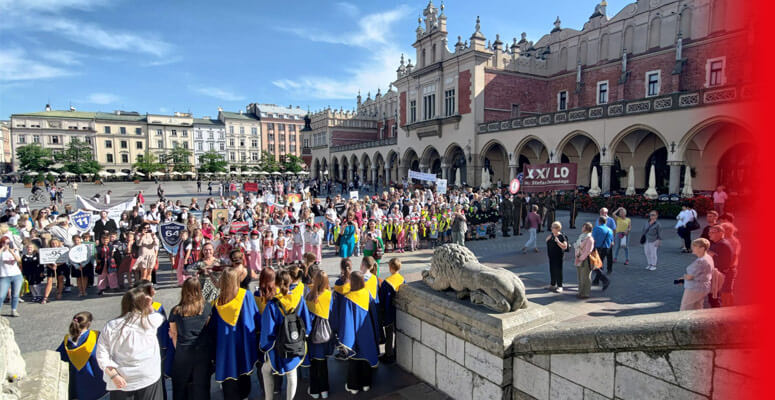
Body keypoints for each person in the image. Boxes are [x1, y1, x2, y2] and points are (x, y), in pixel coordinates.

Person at [96, 288, 165, 400]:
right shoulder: (150, 321)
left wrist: (114, 376)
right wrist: (149, 304)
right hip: (148, 375)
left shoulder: (111, 326)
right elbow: (158, 316)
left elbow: (102, 355)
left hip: (121, 378)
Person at [260, 269, 311, 400]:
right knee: (292, 373)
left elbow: (268, 330)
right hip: (295, 343)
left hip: (278, 346)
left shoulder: (272, 303)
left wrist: (265, 345)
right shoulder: (299, 299)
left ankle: (269, 398)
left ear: (276, 283)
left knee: (265, 370)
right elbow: (306, 322)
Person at [212, 267, 259, 400]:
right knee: (243, 368)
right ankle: (244, 396)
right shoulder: (245, 295)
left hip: (225, 344)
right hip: (242, 341)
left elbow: (214, 326)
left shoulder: (218, 301)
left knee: (228, 371)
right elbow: (254, 317)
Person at [168, 277, 212, 400]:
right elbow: (206, 327)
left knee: (180, 385)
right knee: (202, 385)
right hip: (202, 351)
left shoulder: (176, 311)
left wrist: (178, 348)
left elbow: (173, 333)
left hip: (183, 351)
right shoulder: (207, 307)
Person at [338, 271, 379, 394]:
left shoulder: (348, 298)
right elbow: (373, 314)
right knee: (366, 358)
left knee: (355, 359)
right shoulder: (367, 293)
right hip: (367, 332)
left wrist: (345, 338)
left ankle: (354, 386)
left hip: (354, 334)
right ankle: (366, 384)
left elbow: (346, 320)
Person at [56, 312, 107, 400]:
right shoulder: (95, 336)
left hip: (77, 381)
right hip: (96, 380)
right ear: (89, 323)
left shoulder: (67, 340)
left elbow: (59, 356)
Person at [305, 269, 333, 399]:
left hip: (312, 336)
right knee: (323, 364)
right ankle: (324, 390)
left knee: (314, 365)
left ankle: (315, 390)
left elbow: (307, 319)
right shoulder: (329, 295)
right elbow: (332, 314)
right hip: (325, 334)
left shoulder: (309, 297)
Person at [378, 258, 404, 363]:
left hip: (389, 312)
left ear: (390, 268)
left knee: (389, 334)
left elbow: (382, 299)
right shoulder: (402, 279)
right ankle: (397, 352)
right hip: (399, 311)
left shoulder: (386, 282)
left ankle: (389, 354)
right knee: (398, 333)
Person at [679, 238, 714, 311]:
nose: (692, 248)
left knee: (685, 308)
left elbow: (690, 277)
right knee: (697, 307)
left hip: (695, 288)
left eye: (695, 246)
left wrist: (684, 277)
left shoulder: (700, 261)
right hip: (703, 287)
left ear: (702, 248)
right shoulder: (708, 257)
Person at [707, 224, 735, 308]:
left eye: (712, 232)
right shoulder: (719, 243)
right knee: (714, 298)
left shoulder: (721, 245)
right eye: (709, 232)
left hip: (718, 274)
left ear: (721, 233)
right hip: (719, 273)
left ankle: (718, 314)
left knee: (714, 298)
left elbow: (723, 263)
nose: (709, 234)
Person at [0, 236, 22, 316]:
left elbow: (19, 260)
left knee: (15, 295)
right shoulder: (1, 252)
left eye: (9, 243)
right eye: (5, 243)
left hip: (16, 275)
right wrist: (2, 248)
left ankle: (14, 310)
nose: (7, 244)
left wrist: (12, 252)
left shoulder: (14, 250)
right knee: (1, 295)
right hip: (4, 276)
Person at [545, 222, 569, 293]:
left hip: (558, 257)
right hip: (551, 256)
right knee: (552, 270)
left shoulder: (562, 236)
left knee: (558, 271)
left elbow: (565, 246)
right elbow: (547, 241)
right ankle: (552, 284)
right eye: (551, 227)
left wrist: (558, 242)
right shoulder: (551, 235)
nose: (551, 228)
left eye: (553, 227)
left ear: (558, 229)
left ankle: (560, 286)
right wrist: (547, 239)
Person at [573, 223, 595, 299]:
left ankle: (585, 293)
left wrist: (581, 258)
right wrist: (577, 255)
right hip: (579, 258)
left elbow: (588, 251)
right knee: (580, 276)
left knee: (585, 277)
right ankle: (580, 292)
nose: (582, 228)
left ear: (586, 228)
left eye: (583, 227)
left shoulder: (589, 239)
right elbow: (577, 245)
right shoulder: (582, 236)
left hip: (585, 260)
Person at [591, 217, 612, 290]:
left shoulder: (597, 228)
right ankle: (596, 280)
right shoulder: (610, 230)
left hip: (598, 248)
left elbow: (593, 239)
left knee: (594, 264)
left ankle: (605, 279)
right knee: (600, 263)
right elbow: (611, 240)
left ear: (599, 221)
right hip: (606, 248)